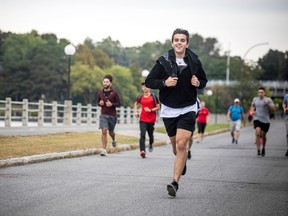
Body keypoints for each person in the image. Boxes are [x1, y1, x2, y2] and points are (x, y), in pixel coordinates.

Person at [145, 28, 207, 197]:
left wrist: (198, 82)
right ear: (172, 43)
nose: (179, 42)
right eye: (176, 40)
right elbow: (149, 81)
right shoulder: (163, 61)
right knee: (175, 147)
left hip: (188, 107)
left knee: (181, 144)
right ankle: (182, 160)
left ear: (187, 43)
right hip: (168, 109)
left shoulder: (194, 61)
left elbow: (204, 80)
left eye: (182, 40)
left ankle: (174, 182)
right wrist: (164, 83)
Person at [134, 82, 160, 158]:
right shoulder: (140, 97)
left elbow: (158, 107)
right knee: (142, 134)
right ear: (142, 88)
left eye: (146, 86)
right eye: (143, 87)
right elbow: (136, 103)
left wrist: (151, 110)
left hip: (151, 119)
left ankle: (151, 143)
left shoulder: (153, 97)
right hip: (143, 118)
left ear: (149, 87)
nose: (145, 88)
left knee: (150, 135)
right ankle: (142, 151)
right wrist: (135, 111)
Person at [97, 75, 121, 156]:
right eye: (104, 82)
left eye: (107, 82)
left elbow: (119, 104)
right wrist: (100, 104)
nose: (105, 83)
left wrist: (112, 104)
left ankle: (114, 139)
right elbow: (97, 102)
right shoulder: (100, 93)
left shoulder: (114, 93)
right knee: (104, 131)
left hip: (112, 116)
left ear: (110, 83)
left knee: (111, 132)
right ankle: (104, 150)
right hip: (103, 115)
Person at [250, 87, 275, 156]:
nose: (260, 94)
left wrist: (267, 104)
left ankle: (263, 148)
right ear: (257, 93)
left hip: (266, 120)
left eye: (262, 92)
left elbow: (273, 109)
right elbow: (252, 105)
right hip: (257, 118)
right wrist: (252, 111)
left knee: (264, 135)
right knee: (257, 133)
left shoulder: (268, 100)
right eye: (259, 92)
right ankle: (258, 149)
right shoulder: (255, 99)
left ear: (264, 93)